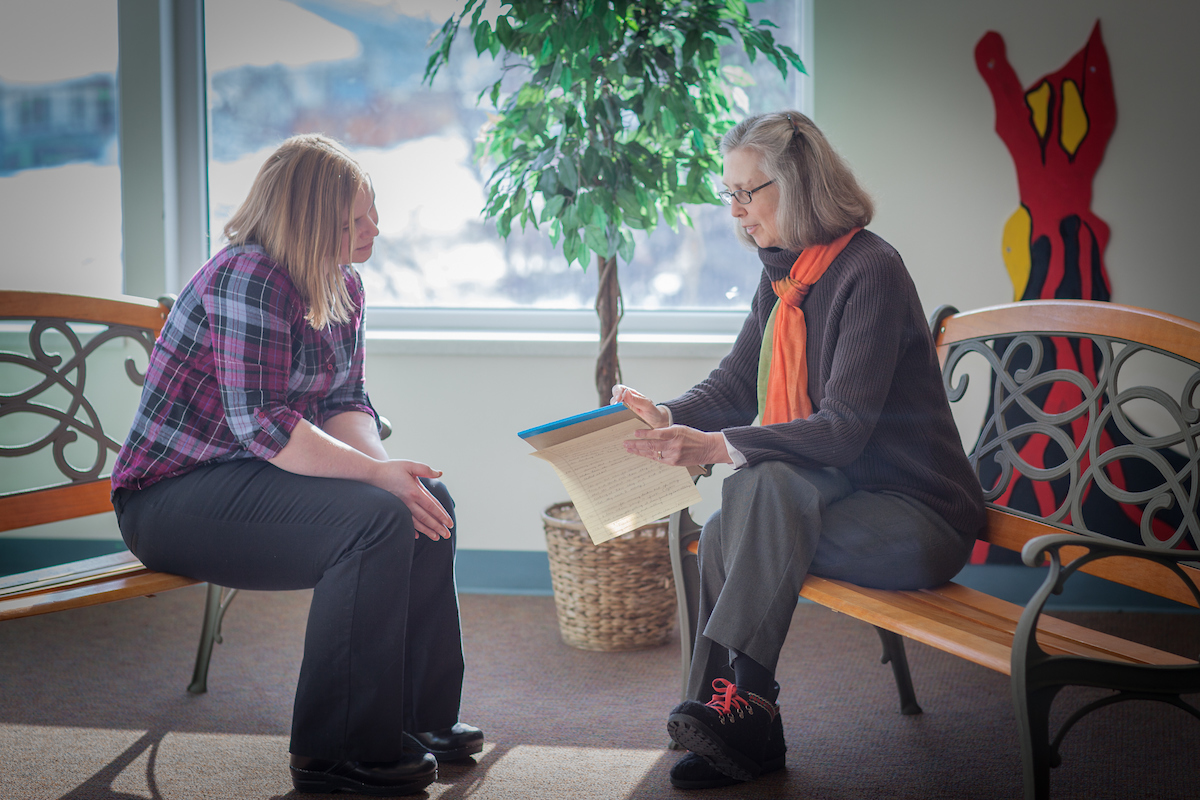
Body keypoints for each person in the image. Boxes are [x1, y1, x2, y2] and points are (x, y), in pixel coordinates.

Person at [612, 111, 985, 790]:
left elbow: (842, 429)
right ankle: (737, 718)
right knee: (744, 508)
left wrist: (718, 444)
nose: (736, 214)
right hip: (841, 498)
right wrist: (666, 415)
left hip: (919, 518)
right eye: (729, 195)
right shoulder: (785, 276)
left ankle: (739, 713)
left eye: (747, 193)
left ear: (799, 184)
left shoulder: (870, 270)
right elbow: (734, 383)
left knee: (747, 504)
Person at [110, 134, 482, 797]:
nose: (373, 231)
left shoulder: (343, 283)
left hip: (252, 476)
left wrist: (390, 472)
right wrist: (373, 480)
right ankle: (334, 751)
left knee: (428, 503)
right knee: (372, 521)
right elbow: (263, 422)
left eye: (371, 213)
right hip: (170, 496)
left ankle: (420, 720)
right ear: (308, 222)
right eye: (352, 223)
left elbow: (345, 399)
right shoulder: (250, 275)